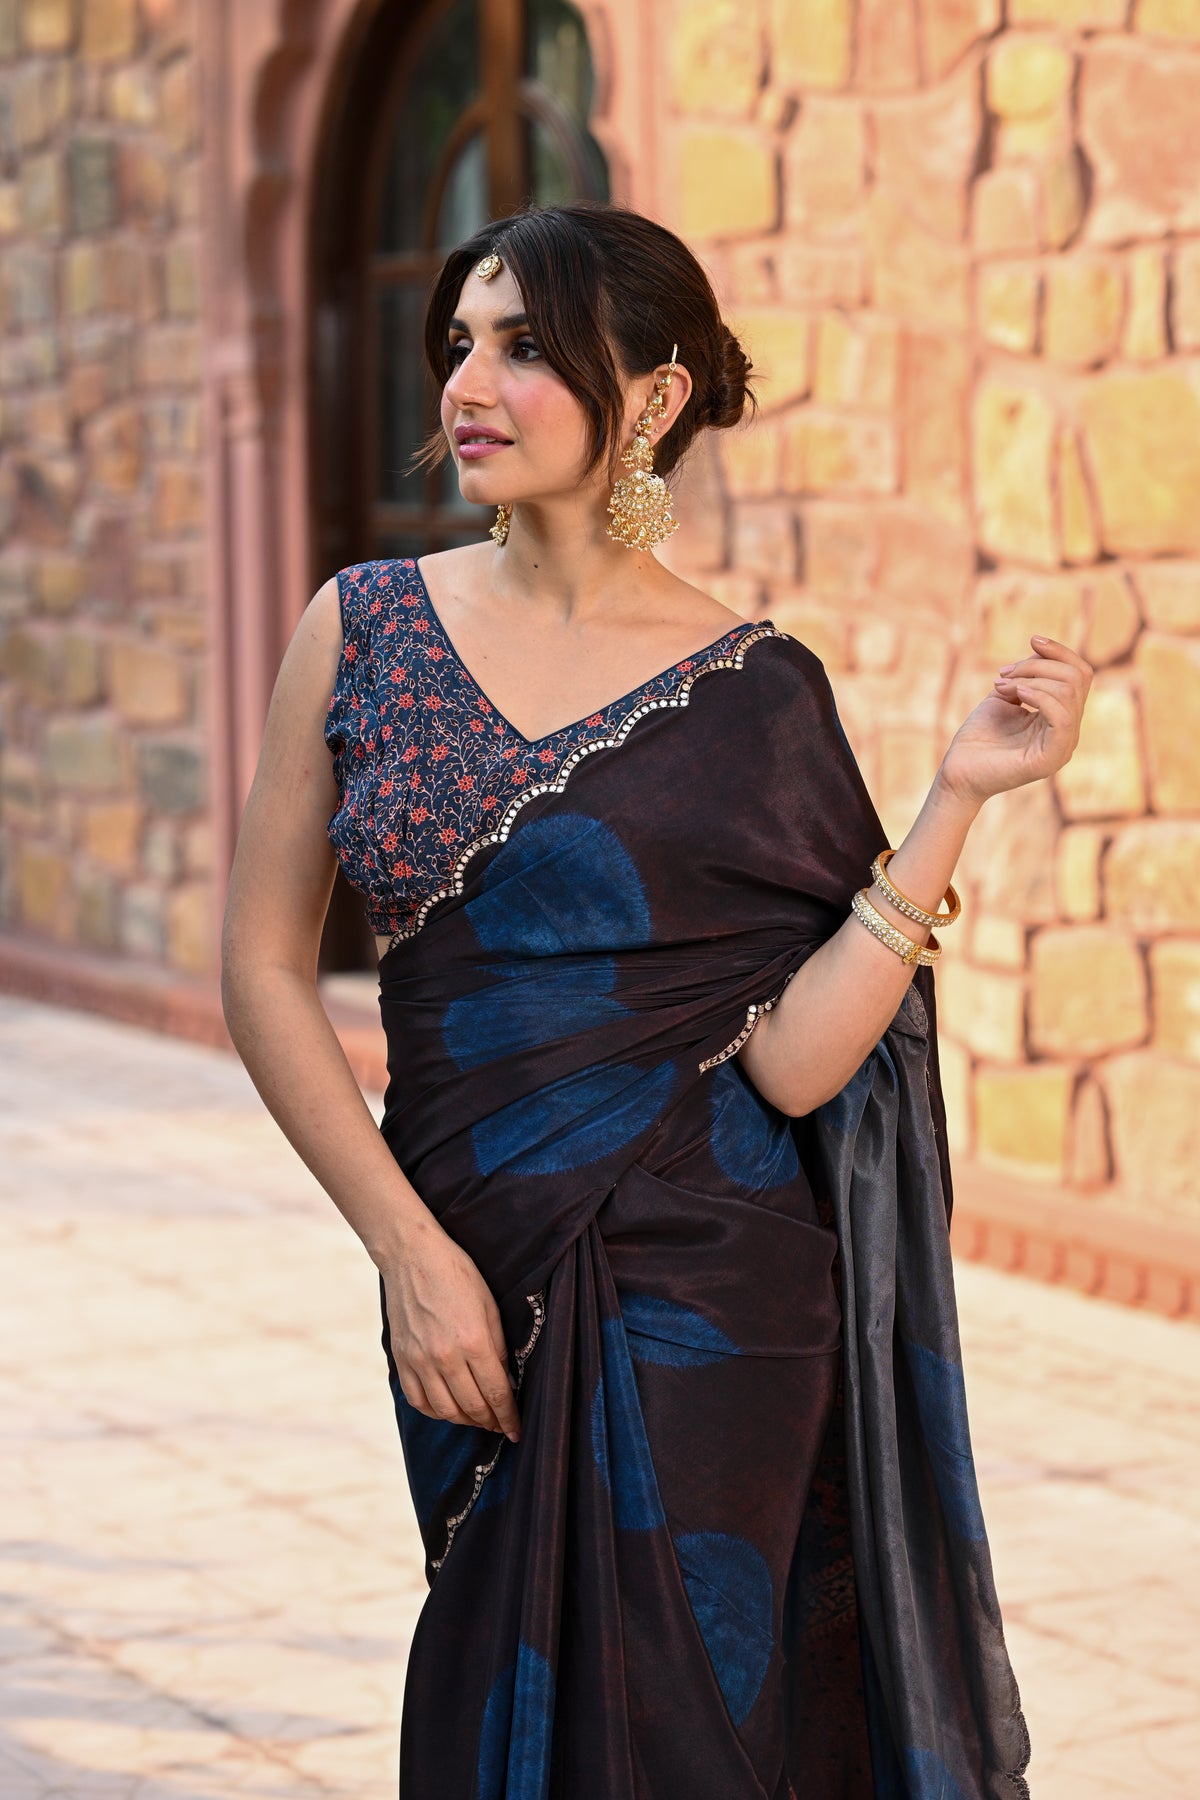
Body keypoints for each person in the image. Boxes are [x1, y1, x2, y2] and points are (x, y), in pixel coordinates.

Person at [222, 200, 1088, 1798]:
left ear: (654, 395)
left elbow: (799, 1070)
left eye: (527, 348)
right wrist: (408, 1252)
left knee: (701, 1728)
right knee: (498, 1691)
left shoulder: (757, 691)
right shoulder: (363, 629)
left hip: (721, 1301)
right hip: (479, 1255)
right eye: (461, 343)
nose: (468, 384)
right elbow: (263, 967)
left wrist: (956, 800)